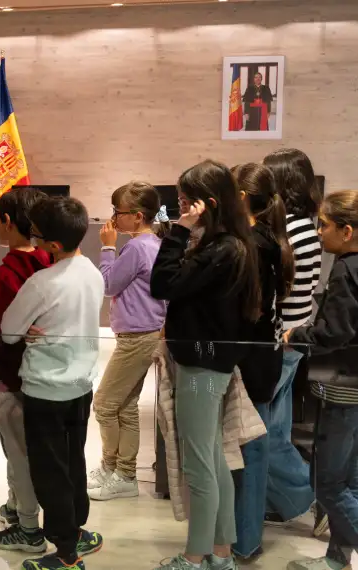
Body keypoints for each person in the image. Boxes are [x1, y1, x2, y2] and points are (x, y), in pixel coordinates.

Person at [150, 159, 262, 570]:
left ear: (207, 203)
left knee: (200, 464)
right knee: (214, 458)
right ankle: (220, 552)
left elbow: (162, 285)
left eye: (183, 202)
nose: (180, 210)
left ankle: (194, 557)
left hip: (201, 369)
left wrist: (178, 233)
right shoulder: (232, 243)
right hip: (209, 365)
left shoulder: (221, 249)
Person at [0, 196, 105, 570]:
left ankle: (65, 554)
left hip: (46, 390)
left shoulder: (41, 282)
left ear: (53, 246)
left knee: (50, 472)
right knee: (73, 461)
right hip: (81, 384)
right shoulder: (92, 270)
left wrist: (26, 329)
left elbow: (9, 332)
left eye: (38, 235)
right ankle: (77, 532)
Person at [0, 187, 52, 552]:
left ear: (8, 222)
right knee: (25, 446)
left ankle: (28, 528)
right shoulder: (51, 264)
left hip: (11, 376)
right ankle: (14, 504)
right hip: (46, 375)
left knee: (17, 450)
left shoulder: (4, 274)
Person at [285, 190, 358, 570]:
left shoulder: (346, 270)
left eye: (324, 226)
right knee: (351, 482)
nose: (319, 233)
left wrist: (295, 335)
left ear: (346, 231)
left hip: (343, 389)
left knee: (328, 483)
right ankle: (336, 559)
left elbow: (335, 333)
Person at [230, 163, 295, 562]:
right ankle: (245, 535)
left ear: (240, 198)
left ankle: (245, 539)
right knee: (256, 447)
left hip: (249, 359)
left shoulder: (250, 244)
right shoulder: (271, 239)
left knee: (250, 452)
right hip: (265, 356)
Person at [88, 182, 169, 502]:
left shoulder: (136, 247)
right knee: (124, 407)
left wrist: (107, 247)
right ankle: (119, 471)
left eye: (117, 213)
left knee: (105, 404)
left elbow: (108, 284)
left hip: (137, 336)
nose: (113, 219)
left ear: (137, 216)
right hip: (142, 332)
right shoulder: (155, 244)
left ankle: (120, 471)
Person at [262, 148, 328, 535]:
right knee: (277, 428)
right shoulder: (308, 224)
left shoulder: (287, 228)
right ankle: (291, 500)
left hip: (279, 340)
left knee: (264, 433)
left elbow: (276, 291)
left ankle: (314, 493)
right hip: (295, 336)